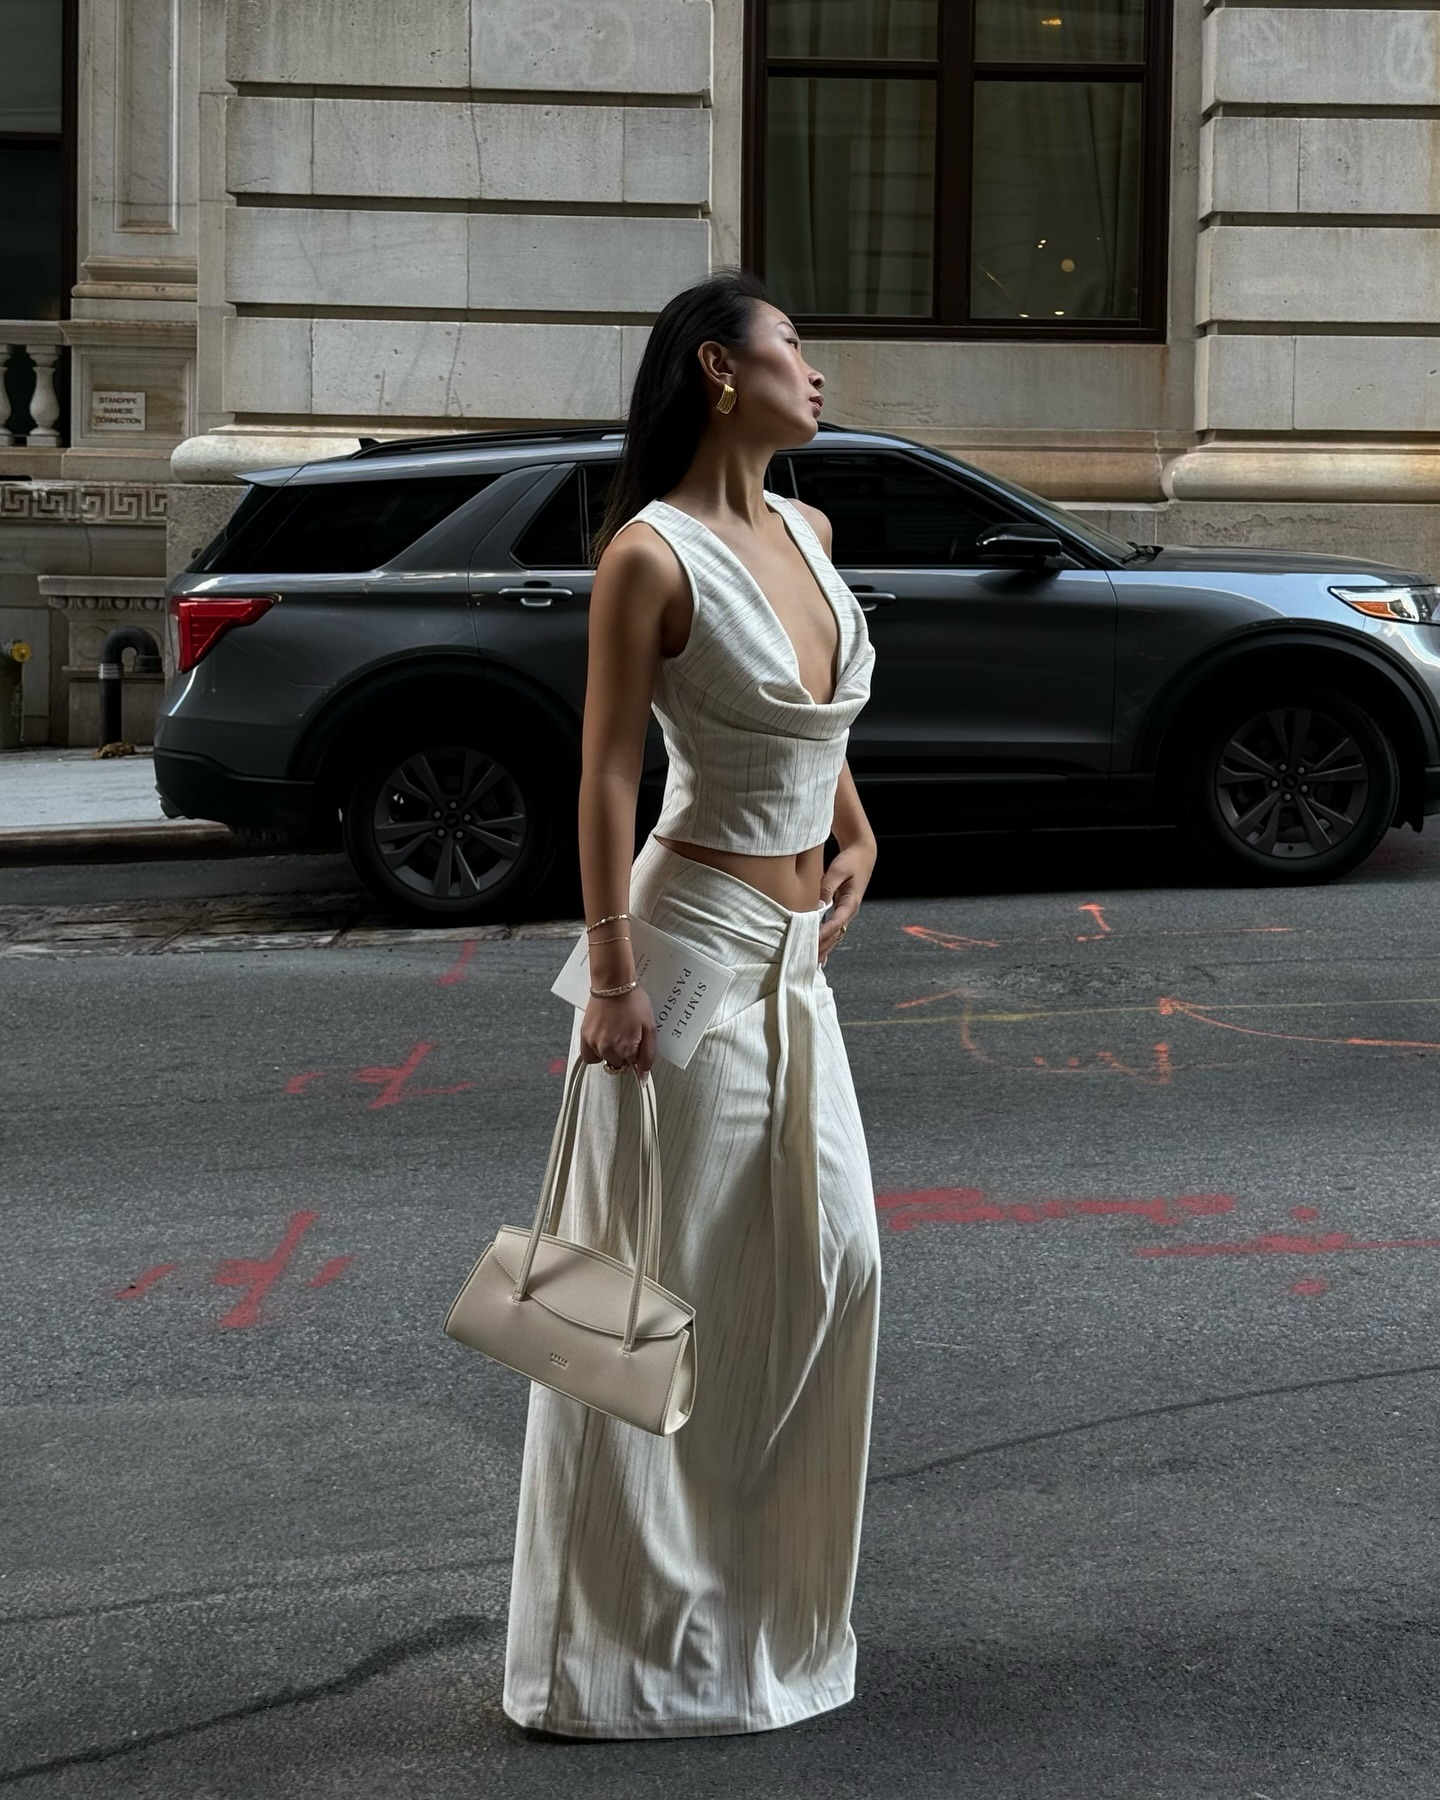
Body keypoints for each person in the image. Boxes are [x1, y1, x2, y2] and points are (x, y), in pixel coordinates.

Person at [503, 269, 882, 1739]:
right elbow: (605, 772)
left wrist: (855, 829)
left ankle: (753, 1615)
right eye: (800, 347)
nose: (820, 374)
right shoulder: (648, 559)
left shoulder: (810, 529)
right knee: (631, 1305)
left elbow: (815, 705)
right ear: (723, 371)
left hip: (801, 960)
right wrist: (607, 975)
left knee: (833, 1265)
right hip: (689, 938)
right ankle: (596, 1665)